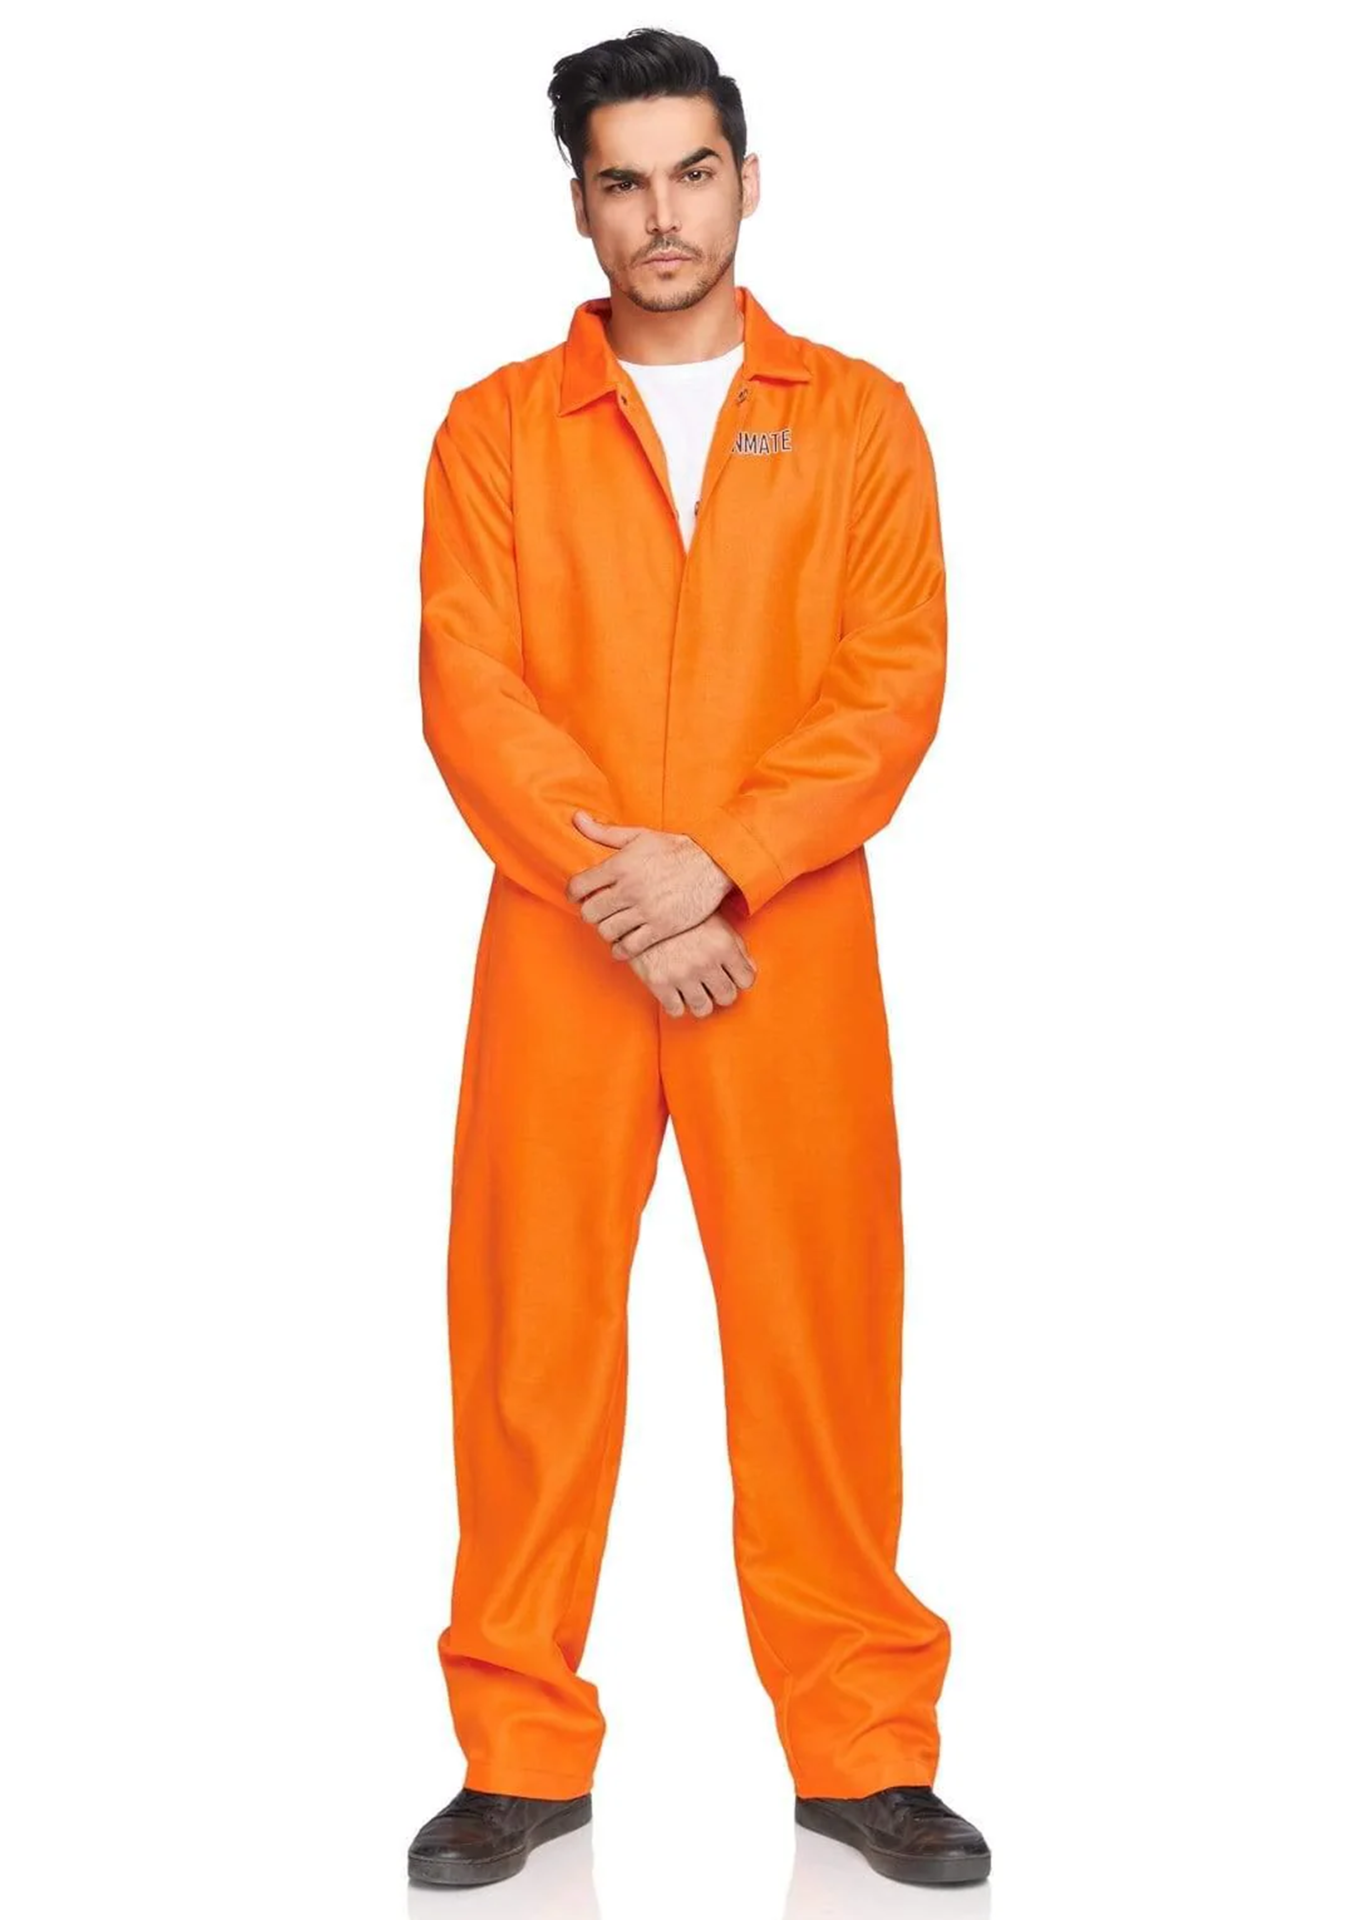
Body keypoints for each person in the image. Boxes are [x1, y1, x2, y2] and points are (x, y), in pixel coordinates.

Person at [406, 27, 991, 1892]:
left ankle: (861, 1753)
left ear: (748, 179)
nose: (660, 214)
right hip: (563, 951)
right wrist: (633, 895)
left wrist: (719, 870)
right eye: (621, 180)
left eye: (691, 171)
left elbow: (889, 683)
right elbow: (470, 687)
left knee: (820, 1342)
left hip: (784, 945)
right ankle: (517, 1755)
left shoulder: (861, 419)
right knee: (528, 1348)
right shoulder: (497, 428)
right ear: (577, 204)